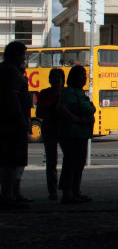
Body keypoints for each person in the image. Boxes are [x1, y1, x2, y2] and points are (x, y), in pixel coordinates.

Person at [58, 64, 96, 204]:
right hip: (72, 134)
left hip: (82, 134)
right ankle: (67, 193)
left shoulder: (80, 92)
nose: (84, 78)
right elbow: (63, 109)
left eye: (85, 75)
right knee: (71, 163)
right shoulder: (69, 93)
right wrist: (77, 119)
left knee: (79, 163)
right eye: (82, 75)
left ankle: (75, 191)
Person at [0, 41, 31, 209]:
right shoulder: (11, 72)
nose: (24, 58)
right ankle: (8, 196)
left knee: (8, 161)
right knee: (11, 161)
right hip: (12, 124)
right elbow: (13, 98)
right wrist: (21, 120)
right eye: (22, 55)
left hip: (8, 122)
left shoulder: (4, 69)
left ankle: (9, 194)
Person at [35, 68, 65, 201]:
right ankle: (53, 191)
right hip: (51, 130)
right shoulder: (45, 93)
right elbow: (39, 113)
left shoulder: (66, 93)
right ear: (50, 80)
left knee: (69, 160)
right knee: (51, 161)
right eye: (55, 79)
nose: (57, 82)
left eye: (59, 79)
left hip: (64, 129)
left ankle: (66, 188)